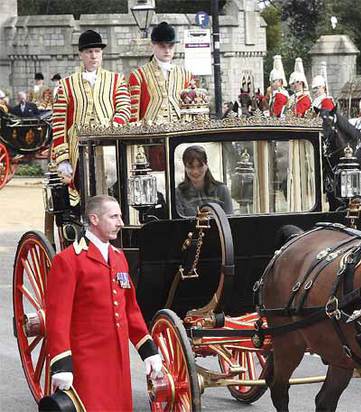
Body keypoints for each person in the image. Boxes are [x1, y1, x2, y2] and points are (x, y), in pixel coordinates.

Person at [46, 195, 163, 411]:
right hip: (86, 363)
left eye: (120, 216)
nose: (120, 222)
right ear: (94, 219)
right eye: (114, 217)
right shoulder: (68, 260)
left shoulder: (118, 258)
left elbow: (130, 310)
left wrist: (149, 350)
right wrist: (61, 365)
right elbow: (57, 319)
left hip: (118, 362)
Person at [51, 29, 130, 206]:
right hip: (78, 151)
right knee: (83, 196)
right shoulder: (66, 84)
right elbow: (58, 123)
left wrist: (112, 129)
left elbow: (125, 108)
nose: (94, 56)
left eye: (97, 51)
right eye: (89, 52)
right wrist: (63, 158)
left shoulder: (116, 79)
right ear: (81, 55)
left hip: (110, 150)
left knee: (114, 193)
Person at [128, 22, 194, 123]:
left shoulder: (186, 74)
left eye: (170, 46)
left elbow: (190, 108)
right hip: (150, 133)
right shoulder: (138, 75)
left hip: (180, 131)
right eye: (162, 46)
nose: (167, 50)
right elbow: (134, 112)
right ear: (152, 46)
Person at [176, 145, 233, 217]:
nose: (195, 171)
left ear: (206, 165)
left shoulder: (222, 190)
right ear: (185, 167)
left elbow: (230, 220)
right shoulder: (178, 193)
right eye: (191, 167)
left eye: (200, 166)